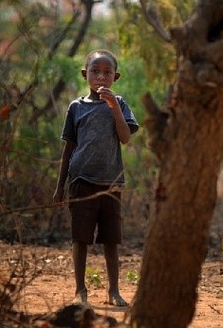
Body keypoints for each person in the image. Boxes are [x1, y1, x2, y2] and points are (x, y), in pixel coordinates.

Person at [53, 49, 139, 306]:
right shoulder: (76, 107)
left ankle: (113, 291)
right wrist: (60, 187)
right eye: (95, 71)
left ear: (116, 76)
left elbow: (125, 137)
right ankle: (80, 291)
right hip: (81, 180)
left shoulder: (120, 103)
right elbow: (68, 148)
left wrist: (113, 107)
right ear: (85, 74)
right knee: (80, 238)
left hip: (111, 183)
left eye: (107, 72)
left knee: (111, 239)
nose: (101, 77)